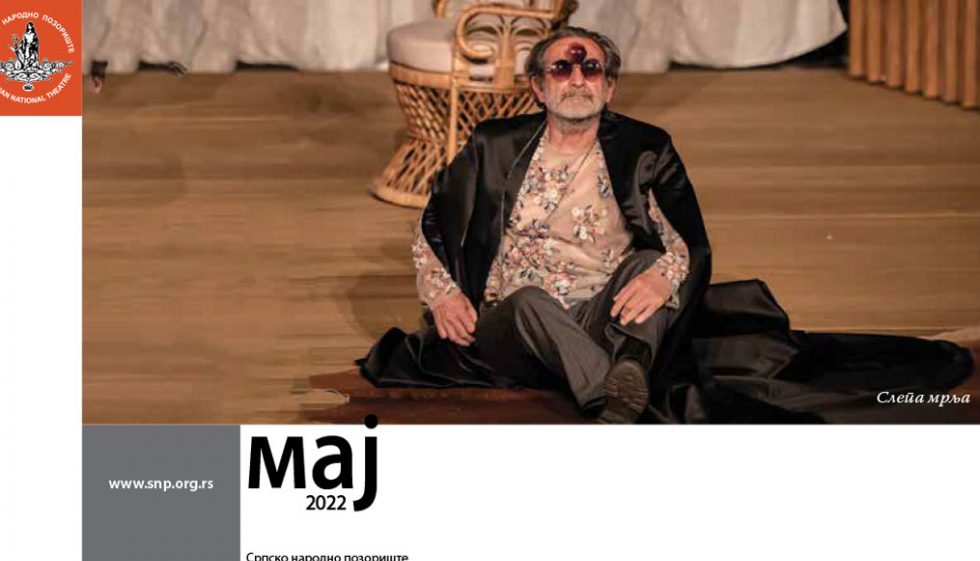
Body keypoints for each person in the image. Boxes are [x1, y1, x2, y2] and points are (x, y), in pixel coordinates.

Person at [359, 28, 973, 424]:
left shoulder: (643, 148)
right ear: (539, 87)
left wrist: (661, 277)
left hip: (602, 312)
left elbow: (685, 241)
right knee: (528, 301)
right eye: (563, 70)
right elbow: (433, 225)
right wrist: (442, 294)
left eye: (591, 69)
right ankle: (616, 394)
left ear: (610, 86)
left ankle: (626, 371)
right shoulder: (494, 145)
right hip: (515, 327)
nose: (578, 80)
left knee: (653, 262)